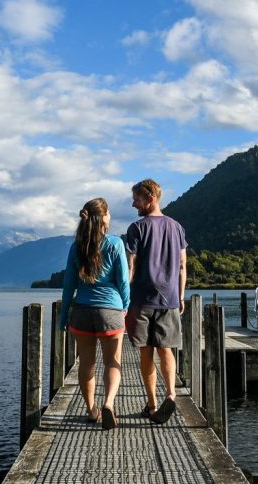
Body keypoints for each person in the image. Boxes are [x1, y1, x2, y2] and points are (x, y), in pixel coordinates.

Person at [60, 197, 130, 430]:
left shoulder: (76, 247)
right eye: (109, 213)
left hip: (81, 311)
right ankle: (108, 403)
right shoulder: (116, 244)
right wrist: (125, 307)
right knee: (112, 362)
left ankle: (92, 410)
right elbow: (123, 282)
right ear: (103, 218)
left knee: (86, 364)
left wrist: (63, 318)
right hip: (110, 310)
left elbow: (69, 285)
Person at [125, 179, 187, 424]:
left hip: (141, 300)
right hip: (169, 298)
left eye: (137, 199)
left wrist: (123, 297)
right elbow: (183, 265)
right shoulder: (177, 227)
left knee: (146, 353)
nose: (133, 204)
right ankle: (170, 394)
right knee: (166, 350)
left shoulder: (137, 228)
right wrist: (181, 296)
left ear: (149, 198)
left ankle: (151, 405)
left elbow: (131, 265)